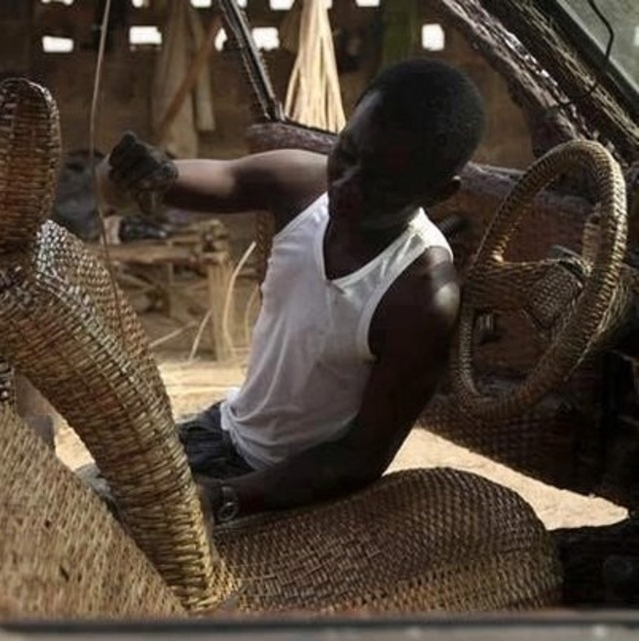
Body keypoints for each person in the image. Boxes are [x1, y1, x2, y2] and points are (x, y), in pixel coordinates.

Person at [96, 58, 486, 526]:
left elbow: (359, 458)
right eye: (347, 153)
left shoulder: (419, 295)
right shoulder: (301, 184)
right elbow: (152, 184)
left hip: (286, 491)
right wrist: (139, 174)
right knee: (71, 507)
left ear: (440, 192)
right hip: (219, 431)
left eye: (381, 182)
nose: (345, 186)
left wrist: (222, 498)